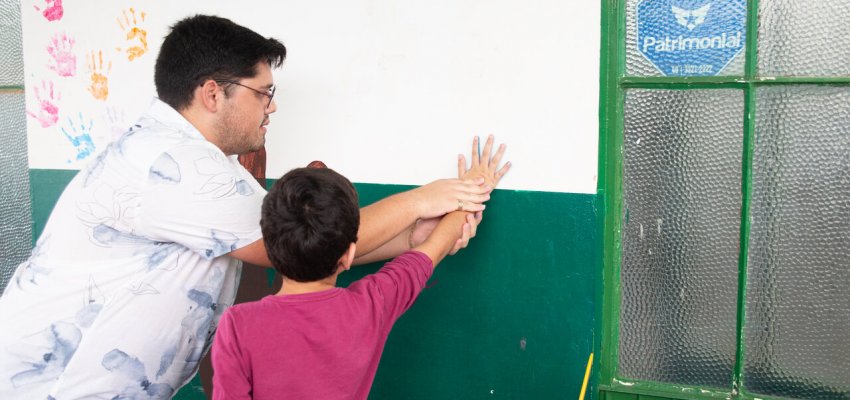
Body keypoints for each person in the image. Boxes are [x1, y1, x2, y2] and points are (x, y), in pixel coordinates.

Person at [0, 14, 505, 398]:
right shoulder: (178, 166)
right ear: (212, 94)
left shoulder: (192, 160)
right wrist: (425, 201)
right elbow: (299, 247)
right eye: (264, 92)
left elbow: (304, 248)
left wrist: (412, 236)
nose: (272, 105)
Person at [211, 143, 508, 399]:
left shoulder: (237, 326)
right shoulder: (372, 304)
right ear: (349, 254)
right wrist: (475, 187)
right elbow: (434, 248)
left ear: (269, 243)